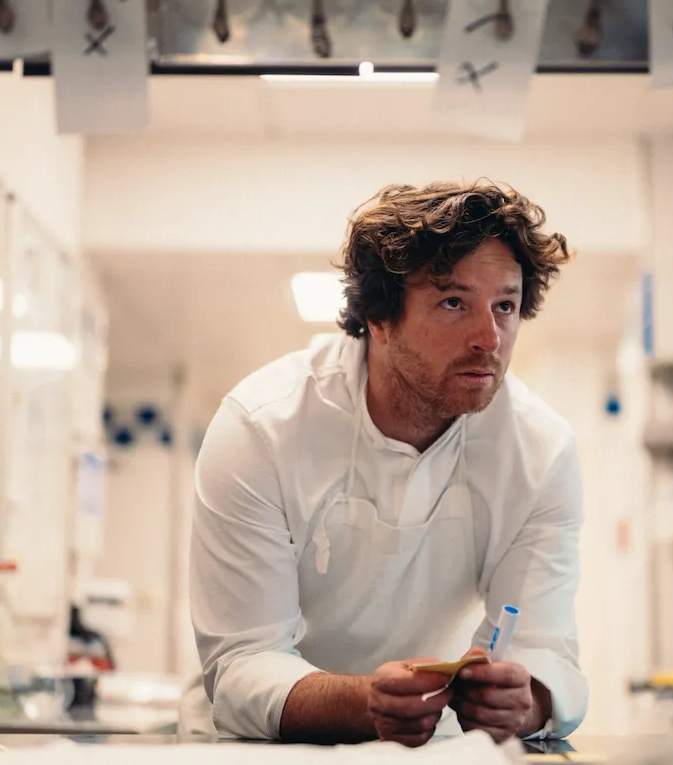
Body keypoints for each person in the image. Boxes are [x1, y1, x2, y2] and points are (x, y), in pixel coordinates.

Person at [190, 180, 587, 747]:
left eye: (505, 306)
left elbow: (546, 649)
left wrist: (522, 703)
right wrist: (364, 703)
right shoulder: (262, 427)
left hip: (433, 744)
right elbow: (243, 661)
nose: (489, 338)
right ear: (379, 318)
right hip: (268, 745)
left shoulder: (540, 452)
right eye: (453, 303)